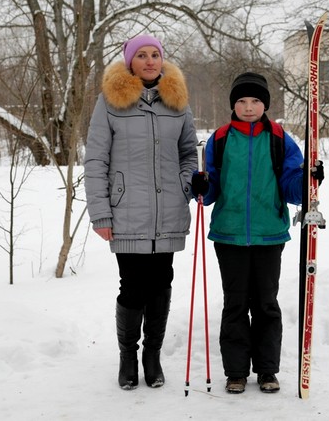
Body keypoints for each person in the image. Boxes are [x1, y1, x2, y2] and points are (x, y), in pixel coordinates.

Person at [191, 72, 323, 394]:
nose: (248, 107)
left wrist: (310, 179)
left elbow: (292, 189)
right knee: (235, 304)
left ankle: (267, 370)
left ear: (265, 104)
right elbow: (210, 192)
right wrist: (201, 186)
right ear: (233, 105)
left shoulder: (279, 139)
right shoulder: (220, 139)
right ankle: (236, 372)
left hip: (269, 234)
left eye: (255, 101)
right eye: (241, 101)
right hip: (229, 234)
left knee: (266, 304)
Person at [84, 34, 198, 390]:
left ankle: (152, 356)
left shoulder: (178, 101)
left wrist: (185, 184)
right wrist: (100, 212)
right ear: (130, 61)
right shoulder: (110, 101)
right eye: (142, 55)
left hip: (168, 211)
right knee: (133, 288)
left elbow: (189, 153)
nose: (150, 61)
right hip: (127, 212)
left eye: (155, 55)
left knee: (161, 285)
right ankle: (128, 357)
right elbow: (96, 159)